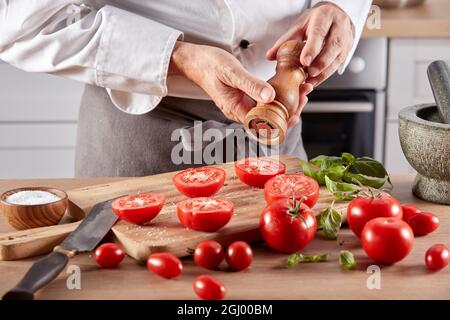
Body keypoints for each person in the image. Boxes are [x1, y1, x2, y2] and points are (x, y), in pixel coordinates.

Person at [0, 1, 372, 177]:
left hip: (276, 130)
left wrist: (340, 8)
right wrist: (179, 57)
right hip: (142, 136)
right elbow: (21, 24)